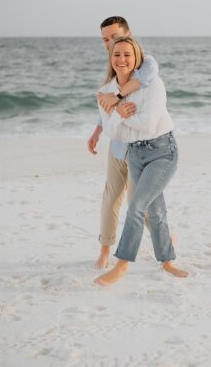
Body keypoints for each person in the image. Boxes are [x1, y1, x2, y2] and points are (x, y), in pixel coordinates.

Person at [93, 36, 188, 286]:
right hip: (134, 154)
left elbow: (147, 126)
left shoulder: (153, 85)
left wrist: (120, 115)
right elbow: (112, 132)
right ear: (110, 59)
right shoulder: (104, 92)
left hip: (162, 151)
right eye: (116, 55)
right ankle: (168, 262)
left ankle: (122, 266)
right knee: (155, 212)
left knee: (136, 206)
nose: (122, 59)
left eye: (127, 55)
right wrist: (117, 116)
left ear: (136, 60)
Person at [86, 16, 161, 269]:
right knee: (110, 199)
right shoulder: (114, 65)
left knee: (139, 202)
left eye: (115, 37)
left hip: (141, 148)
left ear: (128, 33)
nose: (109, 44)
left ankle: (164, 240)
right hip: (117, 145)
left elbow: (143, 82)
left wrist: (117, 97)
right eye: (105, 40)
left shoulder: (145, 63)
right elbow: (106, 101)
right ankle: (105, 249)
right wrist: (98, 129)